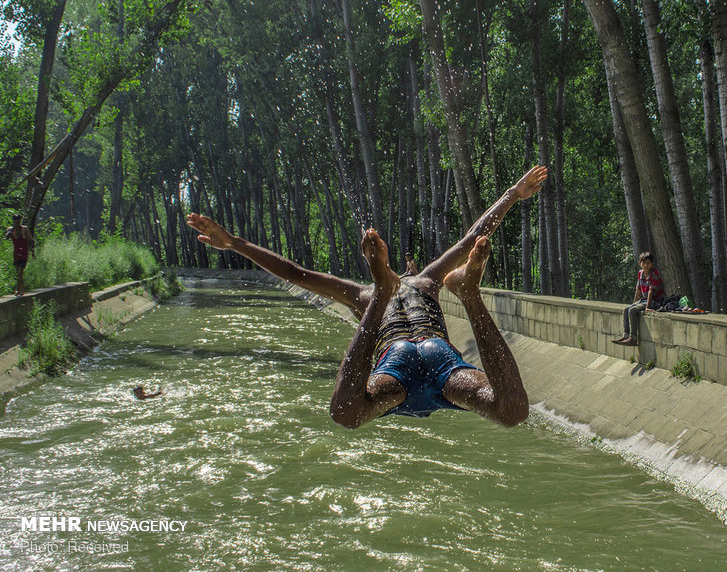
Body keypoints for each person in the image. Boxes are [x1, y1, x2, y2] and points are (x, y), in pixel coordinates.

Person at [186, 165, 548, 428]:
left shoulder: (369, 290)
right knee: (512, 411)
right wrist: (511, 195)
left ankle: (461, 294)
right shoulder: (425, 281)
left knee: (346, 413)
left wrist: (236, 243)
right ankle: (469, 295)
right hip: (433, 362)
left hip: (400, 364)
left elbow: (296, 274)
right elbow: (470, 239)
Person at [612, 252, 665, 347]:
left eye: (648, 263)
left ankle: (633, 338)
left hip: (654, 301)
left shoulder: (654, 274)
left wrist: (648, 307)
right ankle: (626, 335)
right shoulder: (640, 273)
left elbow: (650, 291)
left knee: (632, 311)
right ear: (640, 263)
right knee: (627, 309)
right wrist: (634, 303)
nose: (645, 265)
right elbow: (638, 289)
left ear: (651, 264)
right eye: (643, 263)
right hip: (643, 300)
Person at [4, 214, 35, 297]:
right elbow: (6, 238)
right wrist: (10, 232)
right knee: (18, 273)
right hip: (16, 254)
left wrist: (33, 252)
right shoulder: (10, 229)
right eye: (15, 221)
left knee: (20, 272)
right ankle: (22, 289)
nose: (16, 223)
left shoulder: (24, 229)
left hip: (24, 253)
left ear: (20, 221)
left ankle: (17, 289)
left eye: (18, 221)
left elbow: (31, 240)